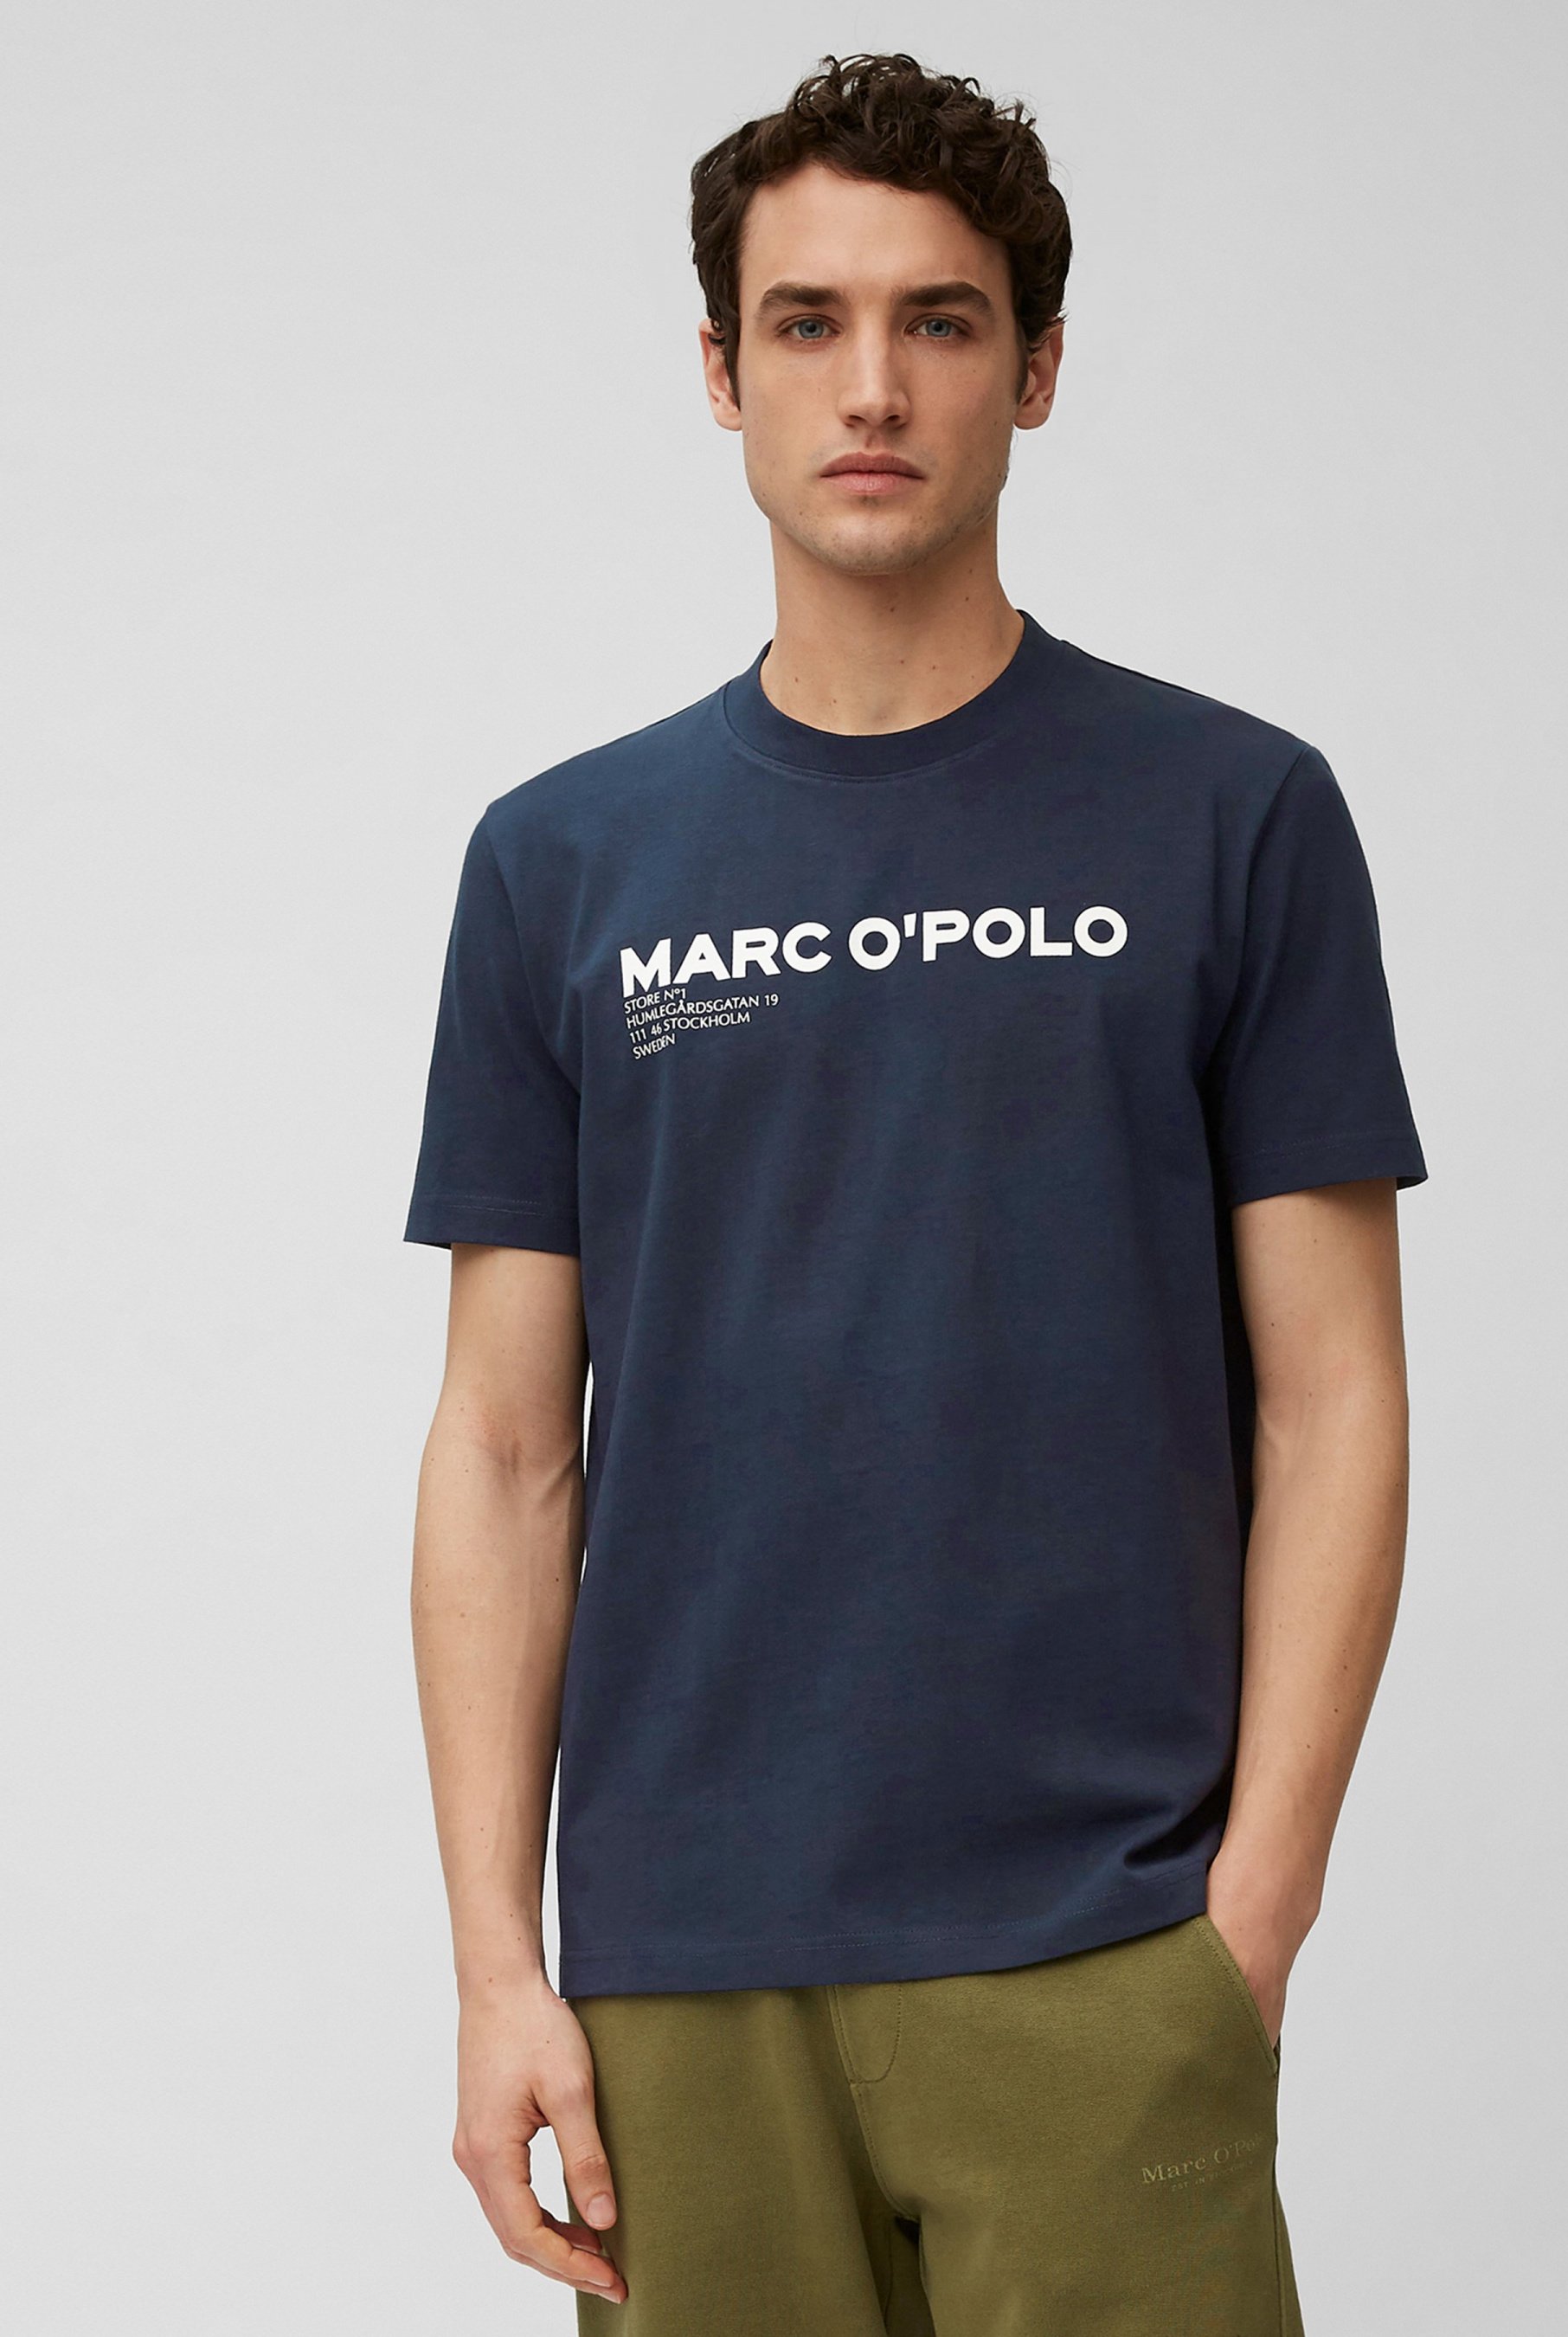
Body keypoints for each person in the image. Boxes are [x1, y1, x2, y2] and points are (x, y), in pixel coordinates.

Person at [403, 49, 1427, 2336]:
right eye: (808, 321)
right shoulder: (561, 861)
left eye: (939, 321)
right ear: (722, 370)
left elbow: (1336, 1401)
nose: (870, 386)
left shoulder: (1232, 816)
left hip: (1103, 1941)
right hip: (680, 1970)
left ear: (1034, 368)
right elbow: (501, 1445)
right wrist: (497, 1964)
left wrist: (1246, 1917)